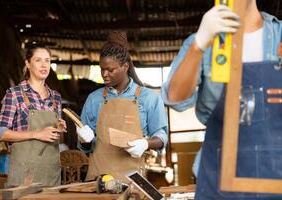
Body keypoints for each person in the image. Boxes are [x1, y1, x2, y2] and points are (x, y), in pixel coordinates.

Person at [162, 0, 282, 199]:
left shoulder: (279, 37)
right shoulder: (203, 41)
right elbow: (175, 99)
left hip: (276, 174)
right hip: (217, 175)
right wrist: (199, 45)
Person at [77, 31, 168, 182]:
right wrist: (84, 140)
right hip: (98, 182)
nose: (104, 74)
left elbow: (162, 136)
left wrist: (146, 143)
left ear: (125, 67)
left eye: (110, 70)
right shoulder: (94, 100)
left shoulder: (149, 98)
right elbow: (86, 148)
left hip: (133, 183)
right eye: (101, 69)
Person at [0, 43, 67, 187]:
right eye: (38, 60)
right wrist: (36, 133)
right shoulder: (14, 94)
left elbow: (53, 133)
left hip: (50, 173)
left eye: (47, 60)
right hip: (23, 174)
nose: (44, 65)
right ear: (28, 63)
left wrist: (59, 126)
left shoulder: (56, 97)